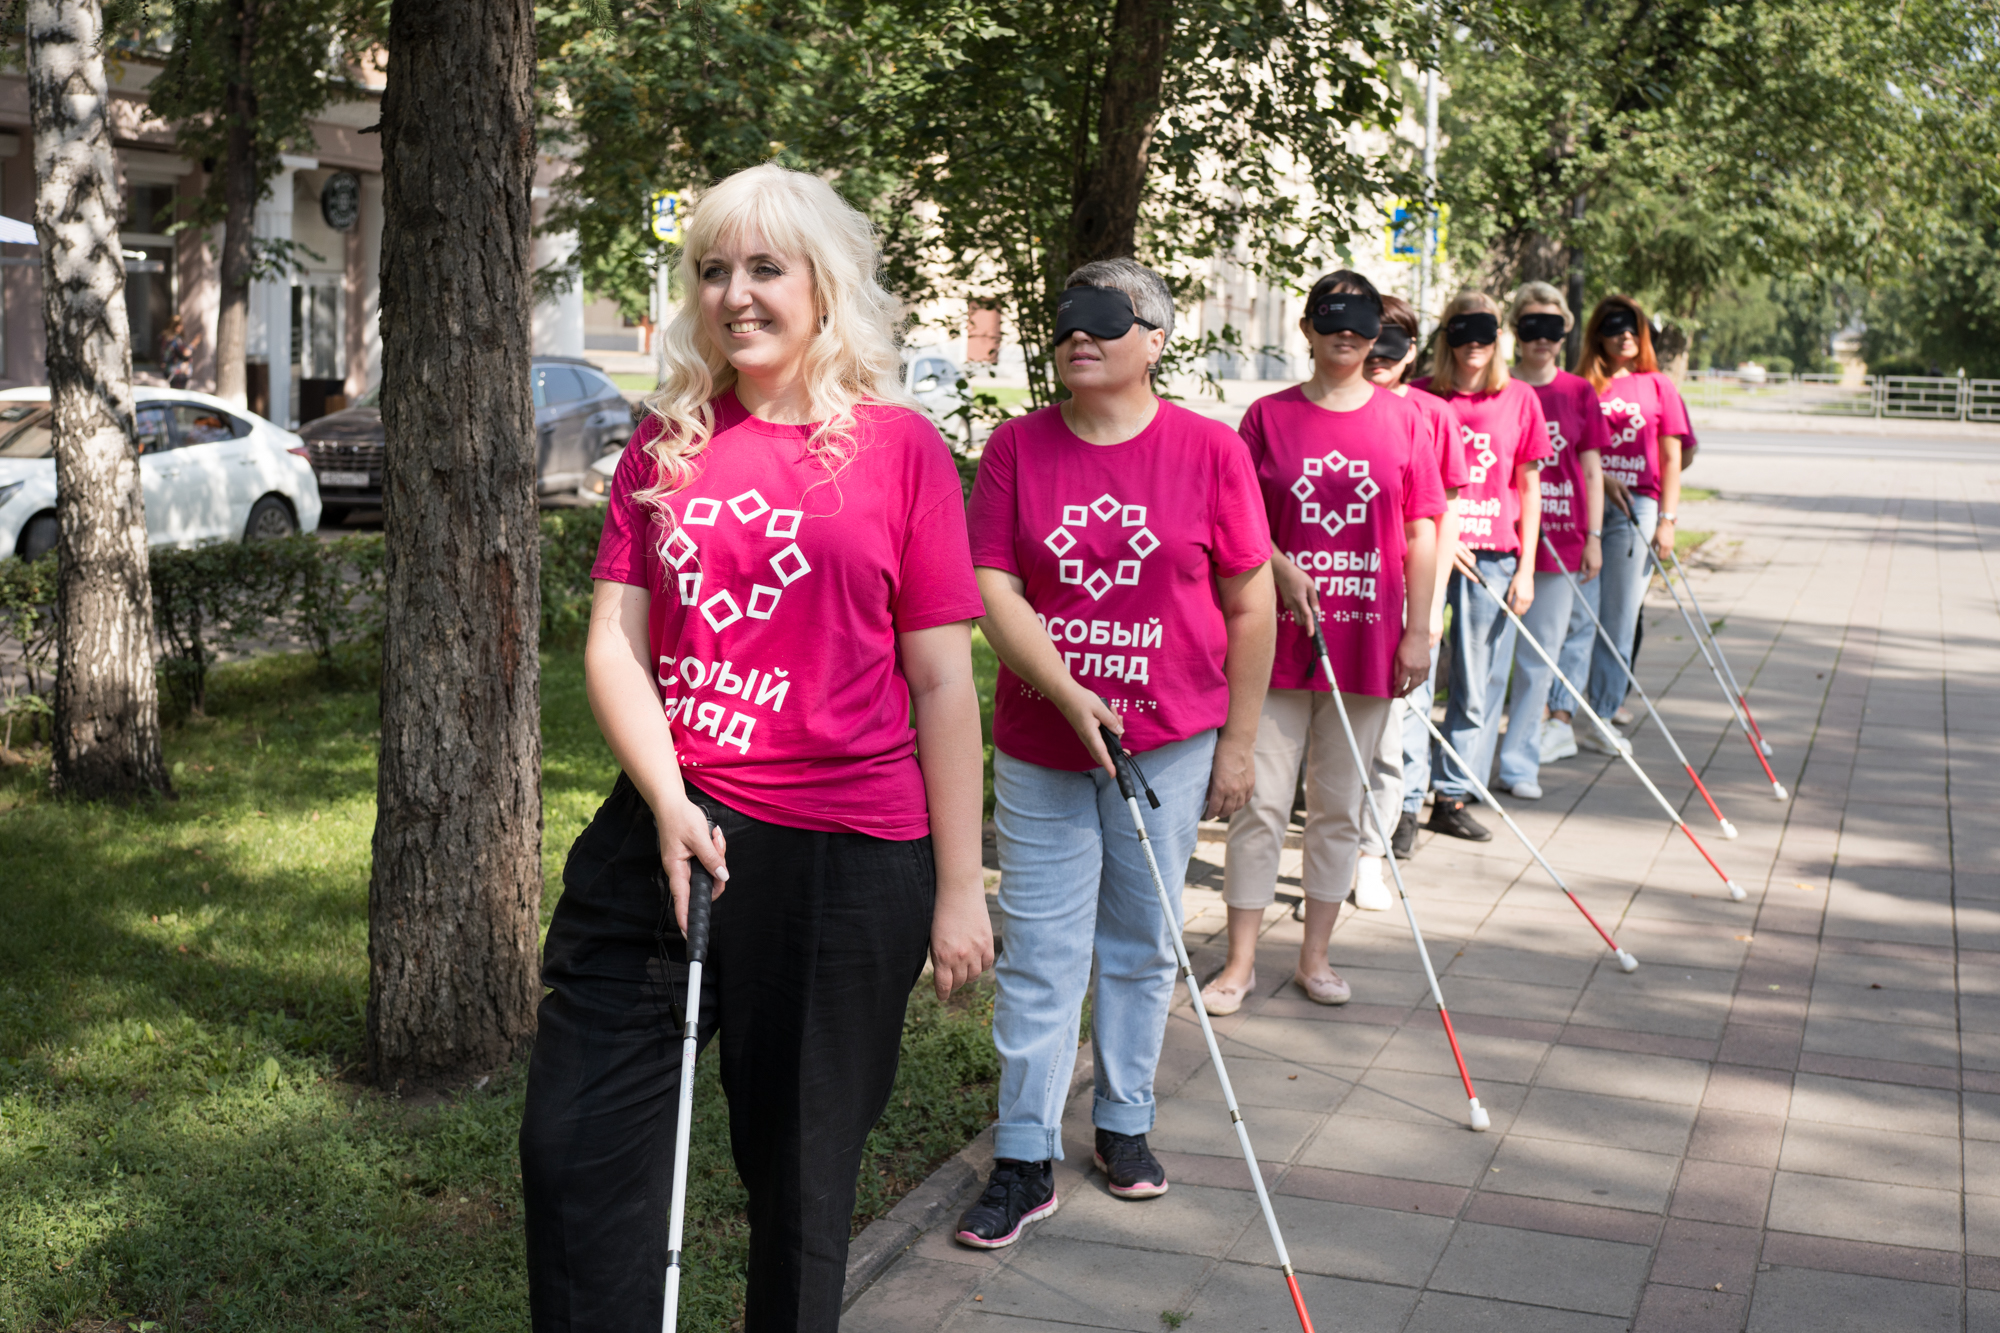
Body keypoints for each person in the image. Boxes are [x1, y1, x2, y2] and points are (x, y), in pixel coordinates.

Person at [519, 163, 993, 1333]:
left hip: (843, 861)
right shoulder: (663, 442)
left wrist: (957, 887)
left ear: (822, 285)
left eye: (765, 267)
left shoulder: (898, 449)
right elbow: (615, 649)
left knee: (797, 1182)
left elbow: (941, 679)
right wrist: (670, 798)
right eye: (713, 269)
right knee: (573, 1148)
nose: (736, 293)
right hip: (665, 832)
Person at [958, 259, 1274, 1246]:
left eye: (1103, 317)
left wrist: (1238, 744)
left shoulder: (1209, 451)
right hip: (1043, 747)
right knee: (1042, 952)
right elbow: (993, 592)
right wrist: (1065, 692)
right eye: (1063, 319)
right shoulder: (1016, 447)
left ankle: (1122, 1124)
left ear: (1156, 338)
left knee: (1140, 943)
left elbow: (1249, 601)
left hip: (1168, 746)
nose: (1076, 333)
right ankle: (1020, 1155)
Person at [1202, 271, 1442, 1015]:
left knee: (1339, 805)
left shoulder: (1405, 421)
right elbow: (1234, 521)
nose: (1348, 331)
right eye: (1332, 319)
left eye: (1362, 321)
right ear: (1307, 330)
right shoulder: (1267, 418)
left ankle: (1316, 956)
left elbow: (1423, 529)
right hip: (1274, 641)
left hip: (1369, 640)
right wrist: (1278, 564)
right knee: (1261, 804)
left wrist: (1419, 630)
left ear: (1378, 336)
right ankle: (1239, 962)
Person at [1414, 291, 1551, 839]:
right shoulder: (1421, 395)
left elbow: (1530, 487)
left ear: (1500, 337)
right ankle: (1403, 795)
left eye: (1485, 332)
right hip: (1427, 552)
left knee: (1475, 685)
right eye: (1462, 332)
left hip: (1494, 555)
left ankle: (1451, 795)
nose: (1474, 344)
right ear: (1446, 336)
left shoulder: (1519, 399)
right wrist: (1444, 538)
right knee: (1414, 678)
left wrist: (1527, 567)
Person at [1358, 293, 1464, 870]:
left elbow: (1441, 516)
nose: (1379, 353)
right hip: (1345, 591)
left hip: (1409, 593)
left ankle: (1394, 820)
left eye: (1392, 341)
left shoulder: (1431, 415)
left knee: (1403, 718)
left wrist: (1429, 607)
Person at [1494, 282, 1607, 797]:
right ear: (1515, 331)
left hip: (1561, 539)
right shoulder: (1495, 386)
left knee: (1539, 658)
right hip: (1498, 538)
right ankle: (1471, 760)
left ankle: (1520, 763)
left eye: (1554, 328)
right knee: (1489, 661)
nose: (1543, 339)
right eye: (1531, 327)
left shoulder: (1578, 392)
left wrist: (1595, 536)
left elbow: (1591, 468)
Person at [1567, 294, 1692, 741]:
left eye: (1630, 328)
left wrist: (1667, 519)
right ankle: (1558, 714)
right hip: (1585, 509)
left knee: (1619, 619)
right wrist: (1599, 481)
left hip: (1637, 508)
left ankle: (1602, 713)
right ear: (1596, 335)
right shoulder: (1580, 384)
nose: (1623, 335)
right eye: (1613, 327)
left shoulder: (1658, 386)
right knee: (1577, 617)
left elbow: (1674, 457)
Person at [158, 316, 194, 389]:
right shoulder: (176, 339)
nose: (182, 327)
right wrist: (194, 344)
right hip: (178, 371)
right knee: (179, 392)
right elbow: (185, 353)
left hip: (169, 369)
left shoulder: (164, 337)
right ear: (175, 326)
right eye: (180, 325)